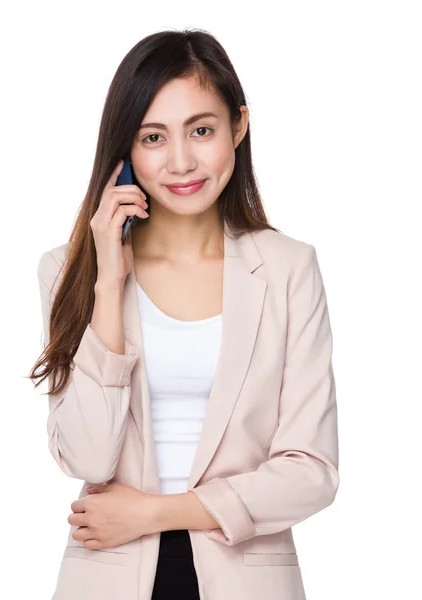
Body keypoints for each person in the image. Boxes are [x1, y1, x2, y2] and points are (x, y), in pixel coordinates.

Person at [30, 28, 339, 600]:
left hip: (249, 580)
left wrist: (154, 514)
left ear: (238, 126)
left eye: (201, 130)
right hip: (108, 579)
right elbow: (90, 456)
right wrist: (108, 282)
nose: (180, 161)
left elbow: (311, 471)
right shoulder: (67, 271)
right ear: (124, 149)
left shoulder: (289, 268)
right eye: (153, 137)